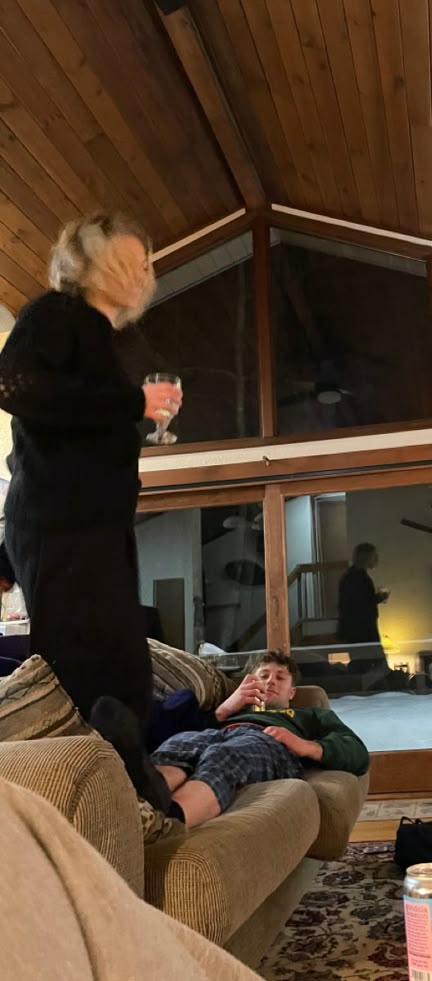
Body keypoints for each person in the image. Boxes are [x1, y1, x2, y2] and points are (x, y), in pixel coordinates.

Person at [0, 214, 181, 804]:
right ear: (85, 263)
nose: (141, 275)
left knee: (124, 670)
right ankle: (98, 803)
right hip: (63, 525)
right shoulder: (56, 314)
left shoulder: (98, 337)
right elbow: (15, 388)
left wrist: (132, 408)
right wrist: (135, 400)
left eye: (146, 265)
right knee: (92, 670)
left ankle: (125, 800)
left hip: (92, 528)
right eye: (125, 262)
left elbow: (68, 424)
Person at [0, 776, 261, 981]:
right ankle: (164, 806)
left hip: (248, 734)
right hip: (199, 733)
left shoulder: (293, 718)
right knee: (182, 751)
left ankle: (166, 806)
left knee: (228, 756)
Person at [152, 650, 369, 827]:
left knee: (224, 755)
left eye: (280, 677)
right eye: (263, 676)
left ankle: (164, 824)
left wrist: (305, 746)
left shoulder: (309, 715)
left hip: (268, 741)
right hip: (221, 732)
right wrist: (224, 710)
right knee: (181, 743)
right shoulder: (234, 710)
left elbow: (357, 752)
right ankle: (142, 807)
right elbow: (175, 731)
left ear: (292, 692)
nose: (271, 681)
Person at [337, 542, 389, 675]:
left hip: (357, 628)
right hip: (362, 629)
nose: (376, 559)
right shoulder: (358, 578)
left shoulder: (351, 576)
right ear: (366, 558)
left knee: (363, 664)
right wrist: (378, 598)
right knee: (369, 664)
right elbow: (360, 604)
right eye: (374, 556)